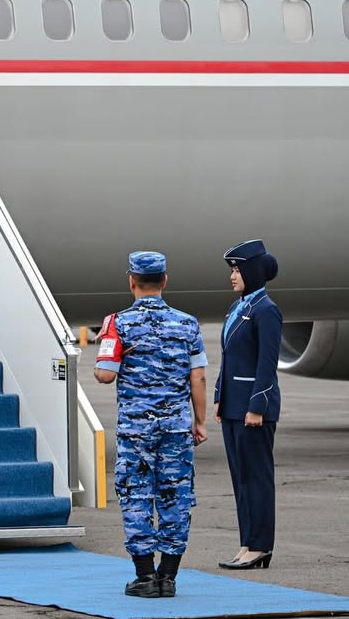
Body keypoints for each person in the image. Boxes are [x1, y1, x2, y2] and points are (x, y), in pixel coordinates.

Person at [94, 251, 208, 598]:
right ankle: (168, 577)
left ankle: (144, 576)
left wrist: (106, 344)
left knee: (136, 495)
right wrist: (199, 422)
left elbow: (104, 375)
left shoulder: (118, 323)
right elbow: (199, 377)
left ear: (131, 281)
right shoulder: (188, 324)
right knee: (176, 495)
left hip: (136, 429)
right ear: (165, 281)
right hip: (176, 427)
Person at [215, 239, 284, 571]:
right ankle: (247, 542)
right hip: (232, 407)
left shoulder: (266, 310)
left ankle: (260, 545)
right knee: (240, 478)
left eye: (237, 269)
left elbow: (267, 365)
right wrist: (220, 397)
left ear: (253, 270)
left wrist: (257, 405)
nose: (232, 276)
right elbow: (229, 359)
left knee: (256, 477)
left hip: (253, 410)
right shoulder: (238, 308)